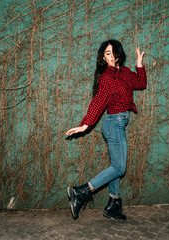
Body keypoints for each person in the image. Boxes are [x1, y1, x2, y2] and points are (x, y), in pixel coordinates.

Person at [65, 39, 147, 220]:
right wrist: (85, 124)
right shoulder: (107, 77)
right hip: (113, 123)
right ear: (103, 57)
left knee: (116, 167)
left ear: (119, 54)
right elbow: (99, 101)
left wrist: (139, 65)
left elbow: (140, 83)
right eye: (107, 53)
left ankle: (113, 205)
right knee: (119, 167)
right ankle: (82, 191)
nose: (111, 57)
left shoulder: (125, 73)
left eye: (113, 53)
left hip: (118, 123)